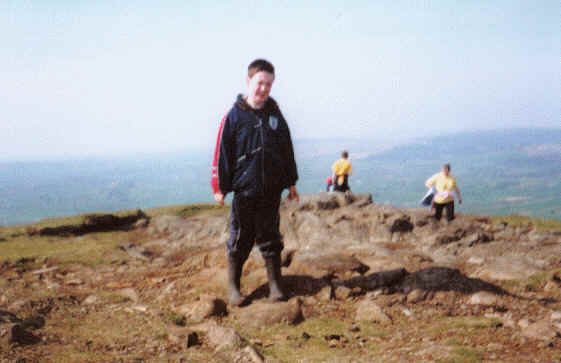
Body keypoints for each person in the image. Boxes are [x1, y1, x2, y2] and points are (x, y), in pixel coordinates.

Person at [211, 59, 299, 306]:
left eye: (269, 84)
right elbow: (222, 153)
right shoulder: (235, 115)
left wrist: (291, 182)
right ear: (249, 81)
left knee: (270, 236)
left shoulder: (274, 114)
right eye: (260, 83)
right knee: (241, 238)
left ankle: (275, 286)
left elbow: (286, 147)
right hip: (245, 190)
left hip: (271, 189)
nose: (264, 89)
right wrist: (220, 188)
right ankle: (234, 288)